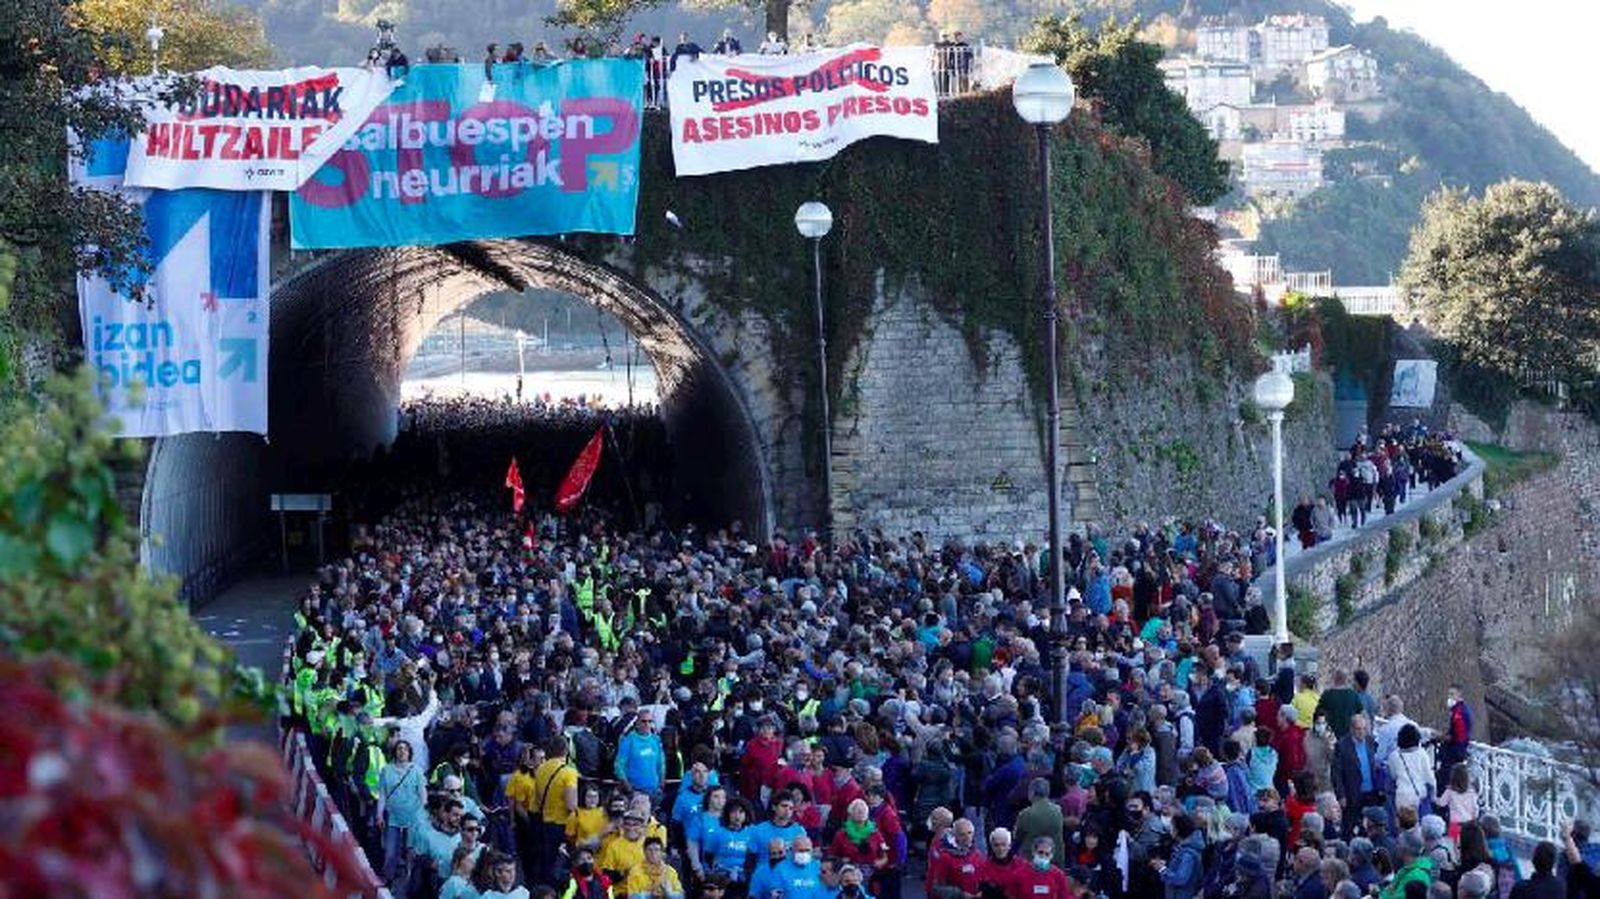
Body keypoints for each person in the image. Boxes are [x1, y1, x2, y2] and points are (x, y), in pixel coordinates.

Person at [1333, 715, 1383, 839]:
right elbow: (1336, 773)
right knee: (1350, 827)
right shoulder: (1342, 745)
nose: (1362, 732)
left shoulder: (1371, 742)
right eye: (1358, 729)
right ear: (1351, 729)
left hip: (1371, 793)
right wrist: (1341, 795)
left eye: (1364, 729)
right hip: (1352, 793)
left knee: (1370, 827)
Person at [1013, 778, 1066, 869]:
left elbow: (1017, 837)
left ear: (1032, 793)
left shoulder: (1026, 814)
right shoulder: (1058, 811)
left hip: (1031, 861)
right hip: (1054, 860)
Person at [615, 710, 665, 803]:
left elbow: (661, 763)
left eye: (650, 721)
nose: (647, 724)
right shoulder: (628, 740)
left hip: (654, 791)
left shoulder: (656, 739)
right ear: (637, 723)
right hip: (636, 792)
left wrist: (661, 782)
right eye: (644, 721)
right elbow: (618, 766)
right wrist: (628, 787)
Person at [927, 817, 983, 899]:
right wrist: (960, 895)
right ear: (955, 835)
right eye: (962, 834)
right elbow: (936, 888)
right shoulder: (945, 857)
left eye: (969, 833)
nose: (967, 837)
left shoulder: (977, 854)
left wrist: (983, 891)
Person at [1155, 813, 1206, 899]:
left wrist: (1162, 869)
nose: (1170, 830)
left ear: (1178, 830)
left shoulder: (1188, 854)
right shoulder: (1181, 848)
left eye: (1172, 827)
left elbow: (1180, 879)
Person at [1437, 763, 1479, 840]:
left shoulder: (1450, 791)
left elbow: (1441, 803)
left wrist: (1434, 799)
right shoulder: (1472, 792)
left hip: (1455, 824)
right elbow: (1475, 809)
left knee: (1454, 846)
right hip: (1468, 823)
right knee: (1468, 845)